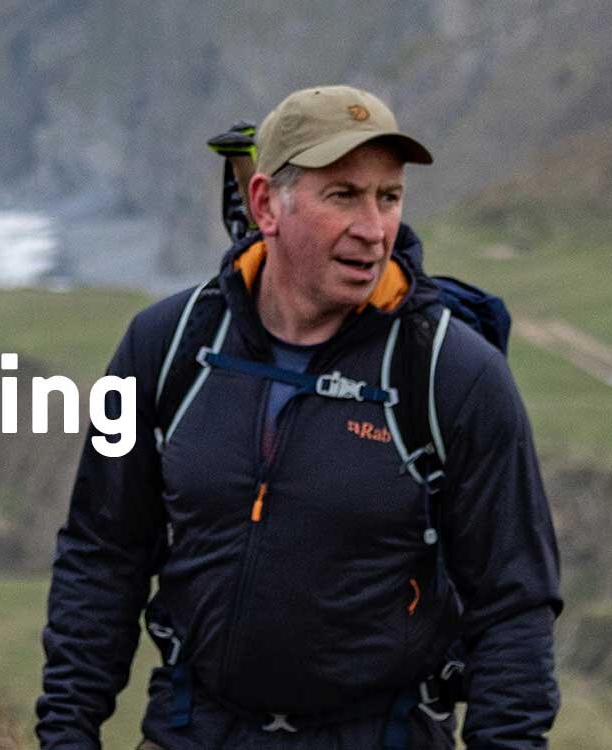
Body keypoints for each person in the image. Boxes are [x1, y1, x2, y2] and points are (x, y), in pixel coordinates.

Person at [40, 85, 564, 749]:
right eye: (343, 195)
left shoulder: (456, 376)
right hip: (192, 730)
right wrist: (66, 734)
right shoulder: (162, 346)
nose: (373, 229)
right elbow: (101, 552)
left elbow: (514, 606)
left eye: (389, 197)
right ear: (266, 204)